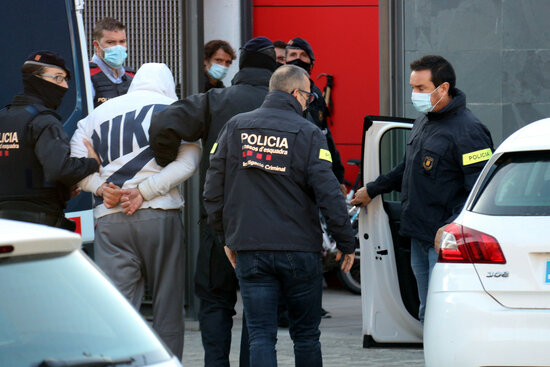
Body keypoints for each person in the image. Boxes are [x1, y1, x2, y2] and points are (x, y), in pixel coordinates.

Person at [203, 64, 355, 367]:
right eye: (309, 98)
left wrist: (226, 237)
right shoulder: (310, 133)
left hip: (251, 247)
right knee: (307, 335)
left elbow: (212, 190)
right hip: (300, 251)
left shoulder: (235, 127)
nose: (309, 103)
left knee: (261, 334)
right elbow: (329, 193)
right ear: (296, 93)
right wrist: (346, 242)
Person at [149, 36, 276, 367]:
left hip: (219, 223)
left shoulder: (214, 100)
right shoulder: (284, 104)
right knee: (259, 305)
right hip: (269, 227)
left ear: (242, 65)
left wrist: (165, 160)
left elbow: (163, 122)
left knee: (214, 301)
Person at [70, 63, 201, 359]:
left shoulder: (96, 115)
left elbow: (76, 161)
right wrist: (144, 191)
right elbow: (188, 163)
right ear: (167, 84)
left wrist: (103, 188)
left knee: (117, 308)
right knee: (168, 306)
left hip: (110, 216)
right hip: (160, 215)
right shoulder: (176, 109)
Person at [351, 55, 494, 323]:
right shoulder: (424, 121)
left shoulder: (470, 131)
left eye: (420, 88)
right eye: (412, 87)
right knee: (425, 311)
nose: (414, 94)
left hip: (444, 241)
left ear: (443, 88)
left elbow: (479, 189)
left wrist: (452, 225)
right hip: (418, 234)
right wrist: (372, 189)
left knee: (440, 314)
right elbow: (407, 168)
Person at [0, 50, 100, 231]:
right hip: (40, 224)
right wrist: (92, 163)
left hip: (5, 224)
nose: (65, 87)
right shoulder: (44, 120)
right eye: (58, 78)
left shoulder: (3, 117)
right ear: (36, 79)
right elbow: (60, 170)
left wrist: (59, 191)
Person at [285, 37, 346, 196]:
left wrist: (338, 177)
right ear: (285, 61)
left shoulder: (316, 95)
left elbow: (326, 136)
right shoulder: (275, 91)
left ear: (311, 63)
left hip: (313, 176)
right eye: (293, 55)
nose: (298, 59)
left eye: (303, 55)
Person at [89, 17, 134, 107]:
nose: (118, 47)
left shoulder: (132, 76)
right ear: (97, 45)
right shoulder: (85, 75)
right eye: (110, 42)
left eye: (122, 41)